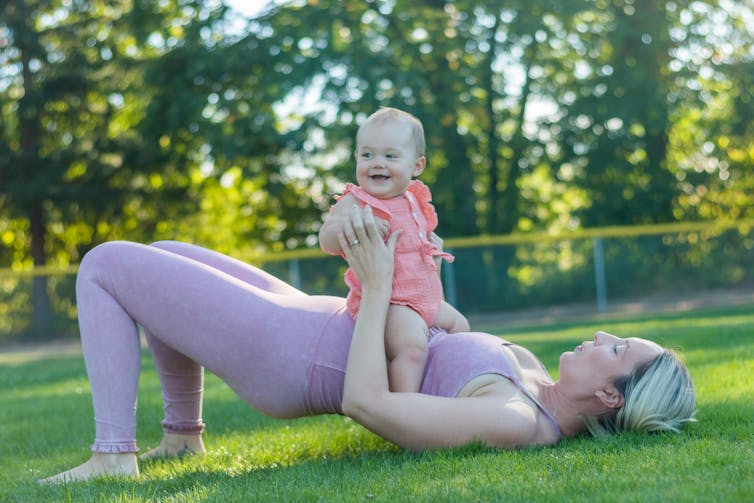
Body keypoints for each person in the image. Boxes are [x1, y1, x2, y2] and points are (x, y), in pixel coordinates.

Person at [41, 205, 696, 484]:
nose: (603, 335)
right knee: (162, 256)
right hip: (316, 317)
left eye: (618, 347)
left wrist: (380, 285)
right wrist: (416, 270)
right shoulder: (529, 381)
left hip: (288, 353)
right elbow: (445, 342)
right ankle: (181, 436)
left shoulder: (514, 417)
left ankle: (113, 453)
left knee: (104, 264)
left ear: (611, 393)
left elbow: (367, 402)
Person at [319, 107, 469, 392]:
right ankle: (401, 407)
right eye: (367, 155)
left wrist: (432, 242)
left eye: (390, 156)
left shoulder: (414, 199)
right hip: (390, 303)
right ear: (356, 158)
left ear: (417, 166)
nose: (377, 163)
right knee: (412, 348)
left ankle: (446, 389)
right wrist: (359, 226)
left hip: (425, 299)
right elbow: (326, 240)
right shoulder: (357, 201)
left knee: (460, 327)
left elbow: (416, 238)